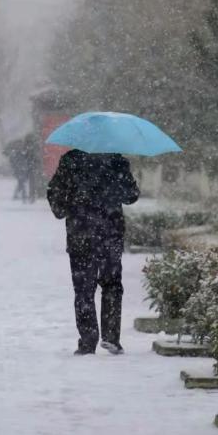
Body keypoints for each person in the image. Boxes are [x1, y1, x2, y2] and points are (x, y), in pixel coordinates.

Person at [47, 148, 140, 355]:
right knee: (112, 284)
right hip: (110, 232)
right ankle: (111, 337)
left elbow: (55, 193)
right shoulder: (117, 160)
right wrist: (115, 187)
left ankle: (88, 341)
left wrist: (66, 206)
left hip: (80, 233)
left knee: (83, 290)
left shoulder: (70, 160)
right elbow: (131, 196)